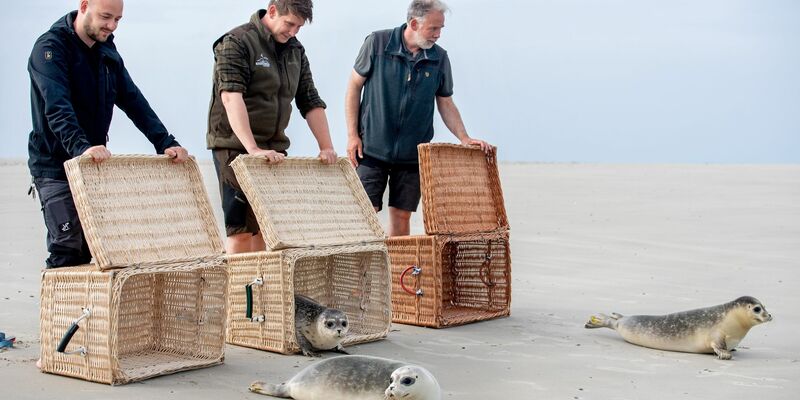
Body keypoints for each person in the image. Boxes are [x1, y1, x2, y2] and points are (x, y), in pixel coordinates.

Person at [27, 0, 189, 269]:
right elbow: (56, 107)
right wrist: (82, 148)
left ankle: (88, 310)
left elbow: (133, 100)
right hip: (55, 165)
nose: (112, 26)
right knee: (67, 247)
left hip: (92, 166)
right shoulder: (50, 48)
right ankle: (57, 310)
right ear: (84, 6)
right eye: (106, 17)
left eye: (118, 20)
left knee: (94, 248)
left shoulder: (107, 51)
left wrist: (165, 142)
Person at [345, 0, 493, 237]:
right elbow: (353, 87)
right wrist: (353, 135)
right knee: (365, 212)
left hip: (413, 154)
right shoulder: (377, 43)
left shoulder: (440, 59)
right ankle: (364, 270)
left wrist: (464, 137)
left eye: (441, 28)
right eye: (434, 28)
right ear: (414, 23)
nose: (438, 35)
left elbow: (445, 101)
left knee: (401, 216)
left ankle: (396, 272)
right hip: (371, 149)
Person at [207, 0, 337, 254]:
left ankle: (262, 292)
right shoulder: (236, 41)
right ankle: (237, 293)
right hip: (233, 147)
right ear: (273, 10)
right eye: (290, 24)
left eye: (299, 27)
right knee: (241, 232)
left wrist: (327, 147)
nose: (293, 32)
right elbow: (231, 97)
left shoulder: (295, 50)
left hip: (274, 151)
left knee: (267, 231)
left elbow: (309, 100)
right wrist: (253, 149)